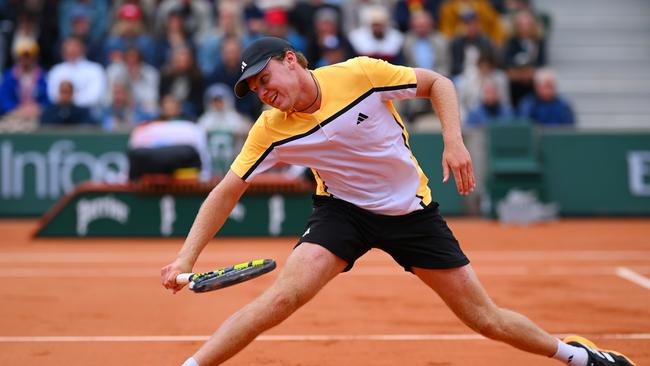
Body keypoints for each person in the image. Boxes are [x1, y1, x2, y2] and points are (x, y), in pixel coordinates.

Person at [161, 37, 635, 366]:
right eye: (257, 91)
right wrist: (185, 257)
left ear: (291, 60)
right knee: (282, 297)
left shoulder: (361, 75)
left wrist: (454, 140)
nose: (266, 94)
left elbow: (439, 84)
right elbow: (227, 191)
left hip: (410, 213)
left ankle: (579, 356)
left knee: (484, 318)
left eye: (266, 79)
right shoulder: (270, 129)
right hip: (342, 213)